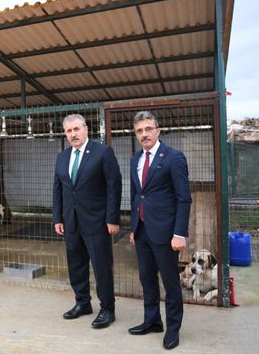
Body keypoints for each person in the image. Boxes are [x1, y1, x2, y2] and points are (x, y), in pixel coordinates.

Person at [128, 111, 192, 350]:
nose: (144, 134)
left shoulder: (174, 158)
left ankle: (173, 328)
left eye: (148, 129)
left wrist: (179, 233)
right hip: (142, 230)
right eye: (139, 131)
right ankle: (152, 320)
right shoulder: (136, 159)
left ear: (158, 130)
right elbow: (137, 194)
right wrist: (134, 227)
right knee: (146, 278)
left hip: (165, 233)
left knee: (170, 282)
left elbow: (184, 199)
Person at [52, 114, 122, 329]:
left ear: (86, 129)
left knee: (101, 267)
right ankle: (83, 303)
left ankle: (107, 309)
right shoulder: (62, 156)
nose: (73, 134)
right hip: (71, 223)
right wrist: (58, 218)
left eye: (76, 129)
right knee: (76, 265)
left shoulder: (102, 152)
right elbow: (58, 189)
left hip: (97, 222)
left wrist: (112, 218)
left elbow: (114, 186)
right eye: (69, 131)